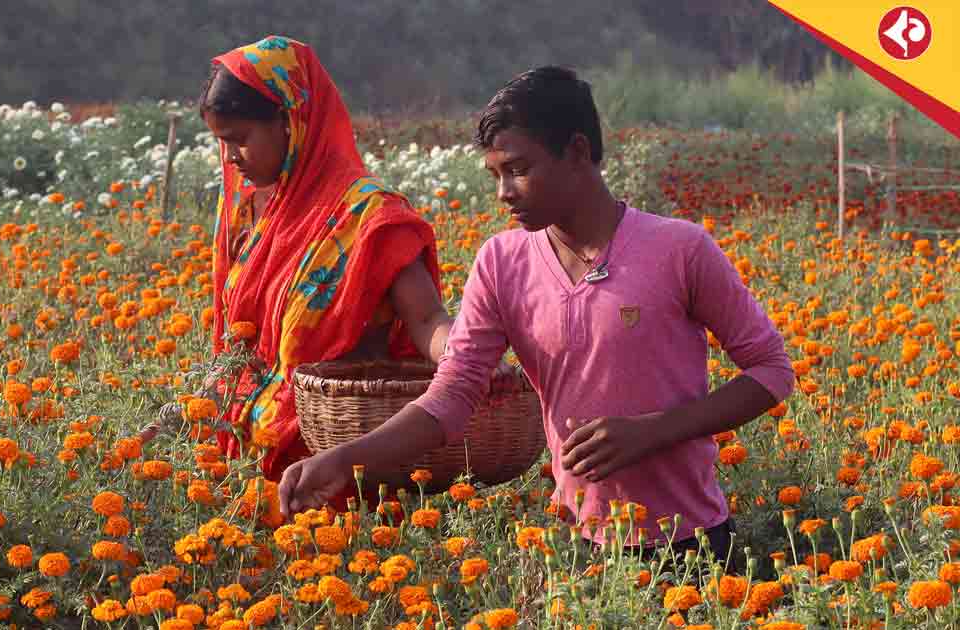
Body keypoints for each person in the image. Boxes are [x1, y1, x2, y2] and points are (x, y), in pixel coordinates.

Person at [278, 66, 795, 567]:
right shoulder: (502, 263)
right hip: (585, 549)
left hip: (693, 546)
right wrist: (345, 459)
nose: (504, 192)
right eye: (495, 174)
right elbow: (451, 397)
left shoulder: (679, 249)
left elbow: (772, 371)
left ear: (577, 152)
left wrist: (652, 431)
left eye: (519, 169)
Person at [140, 36, 455, 490]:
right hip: (243, 467)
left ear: (291, 122)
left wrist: (471, 361)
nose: (230, 157)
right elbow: (237, 354)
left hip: (332, 472)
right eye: (221, 142)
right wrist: (177, 420)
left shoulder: (367, 218)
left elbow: (426, 319)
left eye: (240, 139)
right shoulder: (251, 217)